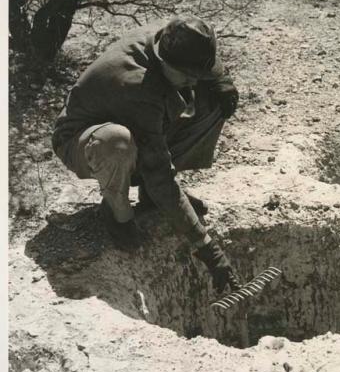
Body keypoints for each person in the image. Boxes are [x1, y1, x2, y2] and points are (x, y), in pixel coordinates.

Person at [51, 15, 241, 294]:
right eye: (186, 75)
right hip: (84, 139)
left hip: (136, 120)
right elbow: (159, 173)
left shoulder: (174, 36)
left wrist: (220, 80)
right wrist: (207, 248)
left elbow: (206, 67)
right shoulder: (137, 84)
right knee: (117, 143)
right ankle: (117, 213)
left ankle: (153, 199)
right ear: (164, 62)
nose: (191, 82)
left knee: (214, 98)